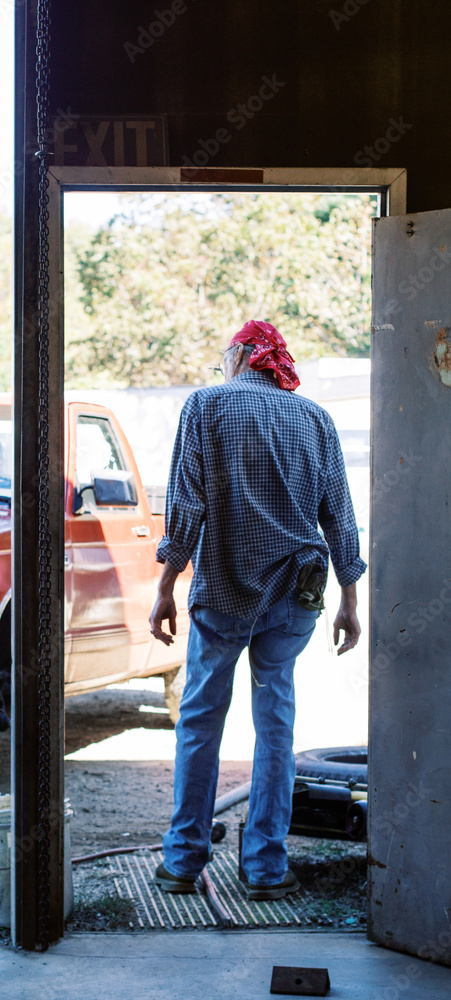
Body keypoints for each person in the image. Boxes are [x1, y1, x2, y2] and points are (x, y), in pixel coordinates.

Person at [149, 320, 366, 900]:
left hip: (224, 592)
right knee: (276, 725)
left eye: (227, 353)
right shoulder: (314, 418)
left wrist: (166, 584)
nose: (223, 362)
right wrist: (350, 599)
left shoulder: (206, 407)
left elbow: (186, 504)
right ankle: (266, 868)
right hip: (297, 593)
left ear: (245, 354)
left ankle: (183, 862)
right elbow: (340, 517)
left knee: (199, 722)